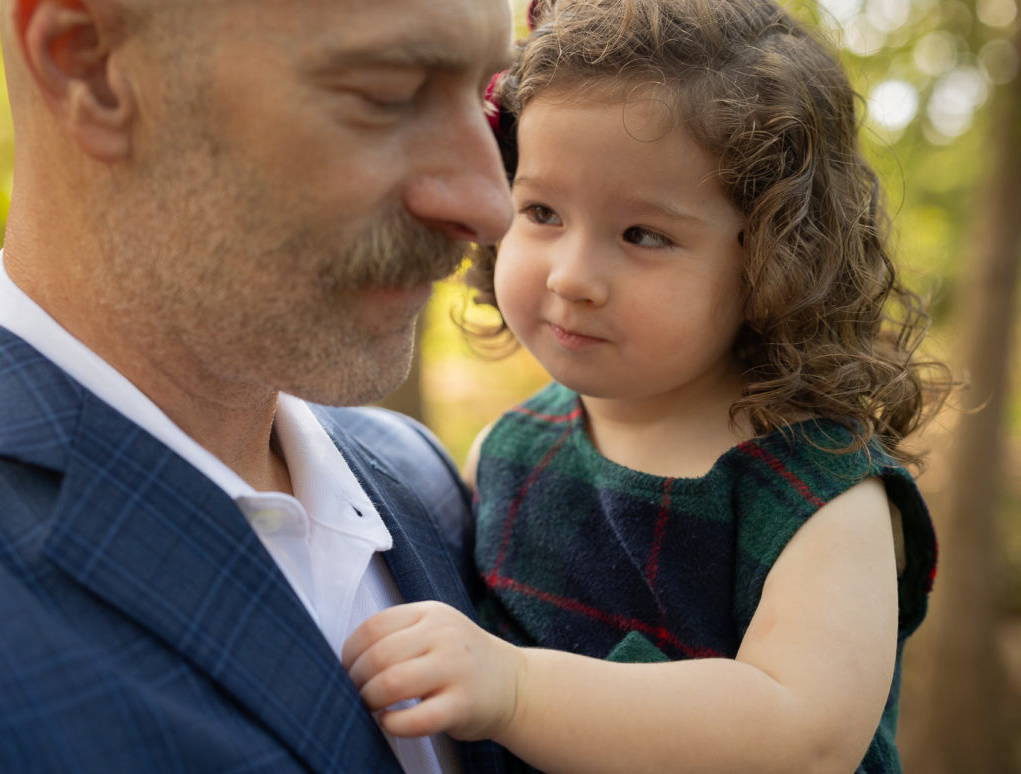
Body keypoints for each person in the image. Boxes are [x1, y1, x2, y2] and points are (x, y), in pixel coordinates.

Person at [0, 0, 517, 771]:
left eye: (485, 98)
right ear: (87, 63)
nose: (491, 208)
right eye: (387, 93)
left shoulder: (429, 483)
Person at [341, 1, 954, 772]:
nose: (573, 277)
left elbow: (804, 738)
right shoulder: (509, 449)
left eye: (643, 235)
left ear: (773, 258)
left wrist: (519, 691)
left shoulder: (823, 495)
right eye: (542, 211)